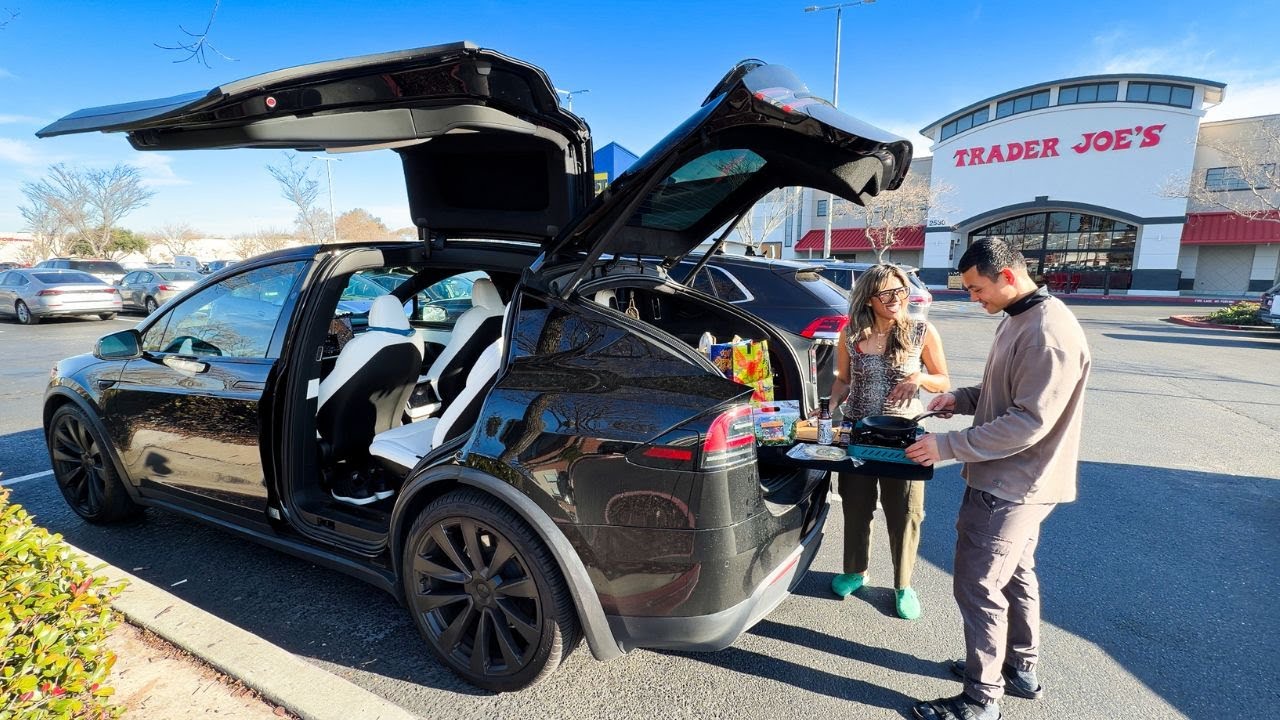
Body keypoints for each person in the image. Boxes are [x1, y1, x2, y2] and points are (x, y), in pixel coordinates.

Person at [904, 238, 1091, 720]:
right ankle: (1020, 668)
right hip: (1020, 481)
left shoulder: (1046, 332)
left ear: (1008, 276)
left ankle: (981, 697)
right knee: (1015, 574)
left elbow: (1029, 421)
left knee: (978, 585)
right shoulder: (1021, 318)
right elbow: (1005, 390)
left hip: (1011, 484)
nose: (972, 298)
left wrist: (946, 447)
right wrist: (962, 398)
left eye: (976, 288)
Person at [828, 264, 950, 620]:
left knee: (905, 513)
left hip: (905, 438)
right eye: (887, 293)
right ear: (869, 298)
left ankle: (903, 584)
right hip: (858, 433)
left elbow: (943, 380)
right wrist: (829, 406)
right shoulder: (851, 333)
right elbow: (842, 381)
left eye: (901, 291)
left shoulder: (922, 331)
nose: (897, 299)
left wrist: (921, 379)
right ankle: (855, 570)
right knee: (855, 505)